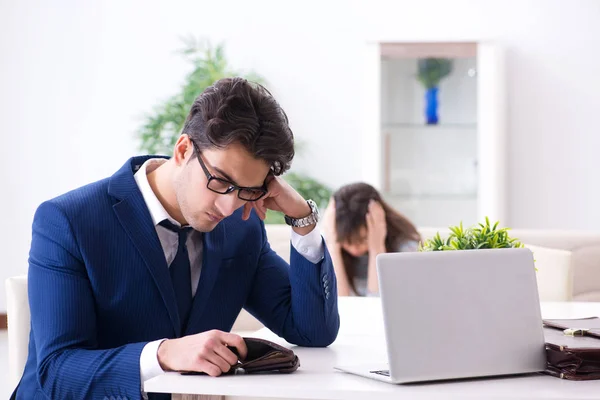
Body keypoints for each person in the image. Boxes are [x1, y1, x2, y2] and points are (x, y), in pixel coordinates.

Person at [14, 78, 339, 400]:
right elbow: (56, 372)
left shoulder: (242, 229)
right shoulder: (69, 221)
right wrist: (163, 355)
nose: (229, 206)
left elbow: (311, 331)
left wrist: (302, 220)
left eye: (247, 190)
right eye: (221, 181)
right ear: (183, 150)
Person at [323, 182, 420, 297]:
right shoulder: (327, 243)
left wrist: (377, 248)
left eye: (363, 239)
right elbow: (338, 306)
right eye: (346, 241)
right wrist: (333, 246)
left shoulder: (407, 248)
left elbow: (378, 305)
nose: (354, 248)